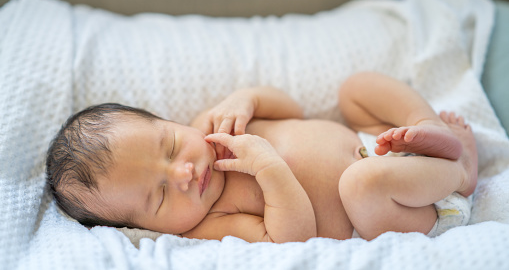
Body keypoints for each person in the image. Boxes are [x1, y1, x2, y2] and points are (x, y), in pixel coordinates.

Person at [46, 72, 478, 242]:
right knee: (359, 183)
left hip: (378, 142)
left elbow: (290, 110)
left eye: (171, 147)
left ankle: (430, 129)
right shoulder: (210, 223)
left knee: (355, 89)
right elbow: (290, 240)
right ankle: (460, 172)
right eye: (159, 196)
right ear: (142, 226)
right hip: (401, 210)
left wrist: (247, 99)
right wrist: (270, 170)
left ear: (169, 122)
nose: (183, 172)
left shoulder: (213, 124)